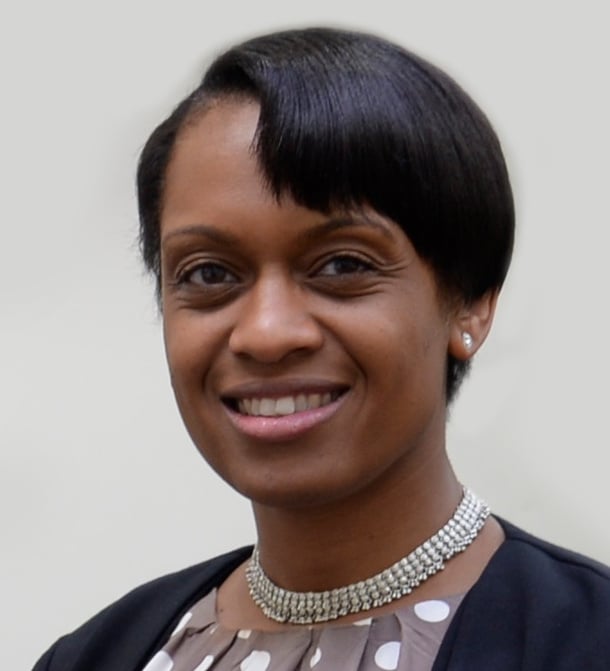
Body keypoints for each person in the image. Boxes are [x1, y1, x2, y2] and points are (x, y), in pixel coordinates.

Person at [33, 26, 610, 671]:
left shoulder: (585, 641)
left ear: (471, 302)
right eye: (209, 273)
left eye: (341, 265)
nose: (266, 334)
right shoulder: (97, 656)